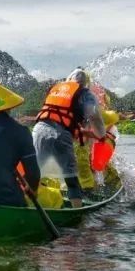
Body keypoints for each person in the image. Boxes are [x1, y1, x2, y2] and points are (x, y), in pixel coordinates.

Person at [32, 68, 106, 207]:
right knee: (71, 181)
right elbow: (95, 118)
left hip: (38, 131)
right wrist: (101, 136)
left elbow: (56, 116)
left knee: (34, 174)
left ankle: (32, 205)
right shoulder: (85, 94)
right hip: (60, 135)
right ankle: (77, 213)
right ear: (85, 83)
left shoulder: (57, 89)